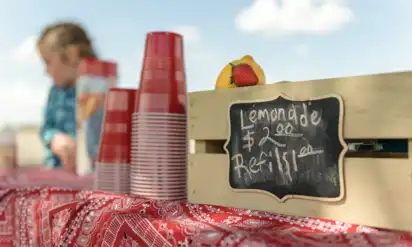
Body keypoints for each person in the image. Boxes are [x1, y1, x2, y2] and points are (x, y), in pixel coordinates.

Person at [37, 21, 98, 173]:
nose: (45, 70)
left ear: (72, 54)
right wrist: (54, 138)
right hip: (56, 171)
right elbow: (46, 127)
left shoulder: (99, 91)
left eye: (48, 62)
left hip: (90, 174)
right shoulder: (55, 93)